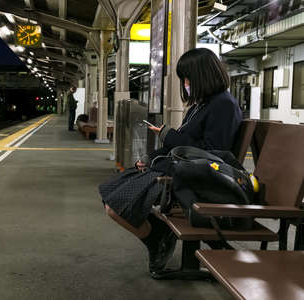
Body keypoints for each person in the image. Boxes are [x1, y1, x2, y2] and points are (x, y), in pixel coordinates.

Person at [102, 48, 242, 275]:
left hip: (195, 180)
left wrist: (167, 134)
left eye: (187, 78)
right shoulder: (201, 105)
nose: (185, 83)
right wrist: (150, 159)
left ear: (200, 76)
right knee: (110, 195)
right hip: (178, 172)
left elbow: (213, 154)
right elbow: (183, 146)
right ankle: (157, 236)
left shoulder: (223, 105)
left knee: (115, 206)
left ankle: (156, 238)